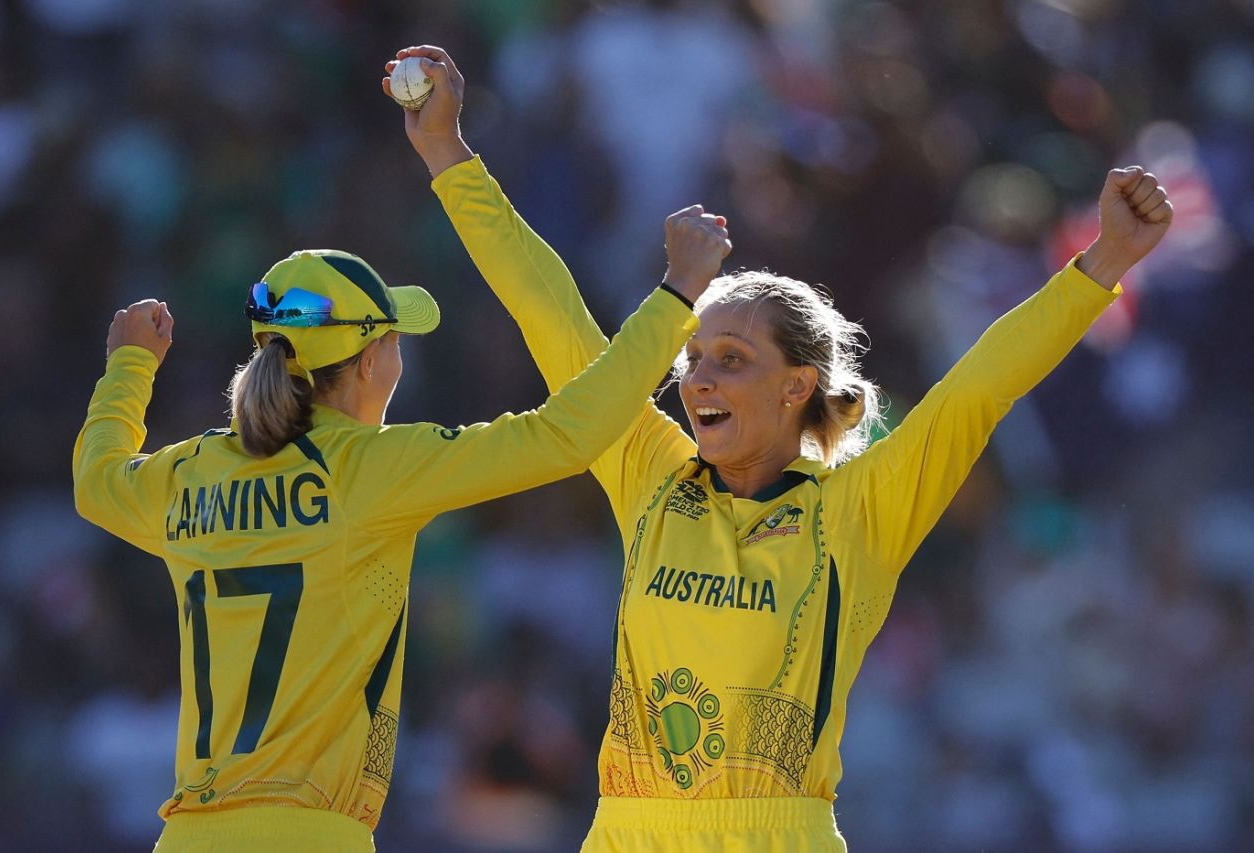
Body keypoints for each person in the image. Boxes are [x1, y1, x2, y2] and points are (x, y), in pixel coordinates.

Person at [398, 45, 1175, 851]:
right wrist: (447, 154)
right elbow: (546, 309)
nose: (699, 380)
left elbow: (976, 392)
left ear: (796, 386)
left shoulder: (860, 508)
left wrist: (1105, 261)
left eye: (732, 361)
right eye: (693, 358)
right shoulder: (646, 469)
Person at [72, 120, 732, 850]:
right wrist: (677, 295)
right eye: (394, 342)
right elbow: (569, 431)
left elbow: (96, 483)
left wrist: (129, 369)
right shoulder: (375, 467)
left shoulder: (189, 473)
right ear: (367, 363)